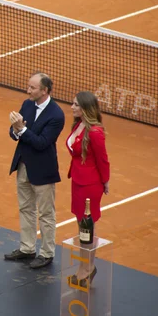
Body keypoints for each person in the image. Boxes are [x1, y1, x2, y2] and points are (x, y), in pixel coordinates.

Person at [4, 72, 65, 269]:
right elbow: (15, 133)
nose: (28, 90)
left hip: (43, 170)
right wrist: (15, 130)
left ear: (45, 90)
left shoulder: (56, 115)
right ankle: (27, 248)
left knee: (46, 214)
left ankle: (47, 253)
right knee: (26, 208)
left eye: (32, 88)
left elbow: (42, 143)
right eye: (28, 86)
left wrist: (21, 129)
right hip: (23, 166)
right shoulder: (28, 104)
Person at [66, 91, 110, 287]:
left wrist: (105, 181)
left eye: (76, 105)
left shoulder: (95, 132)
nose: (72, 107)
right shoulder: (78, 124)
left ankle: (87, 269)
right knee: (81, 226)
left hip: (90, 185)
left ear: (85, 108)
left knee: (87, 228)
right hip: (78, 180)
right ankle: (84, 267)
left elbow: (102, 159)